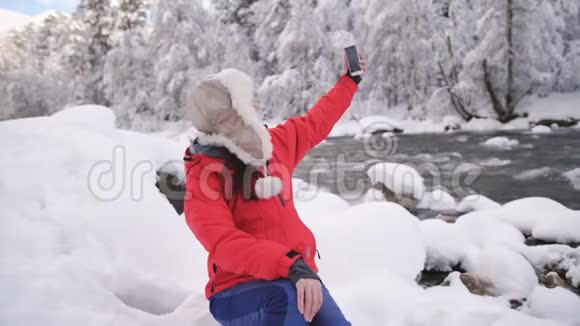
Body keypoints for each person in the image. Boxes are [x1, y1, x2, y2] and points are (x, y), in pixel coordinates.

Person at [183, 53, 367, 326]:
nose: (256, 106)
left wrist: (349, 82)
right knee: (285, 300)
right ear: (230, 114)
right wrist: (289, 264)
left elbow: (316, 121)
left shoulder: (274, 145)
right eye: (247, 103)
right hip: (237, 292)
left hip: (295, 277)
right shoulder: (203, 175)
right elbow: (224, 245)